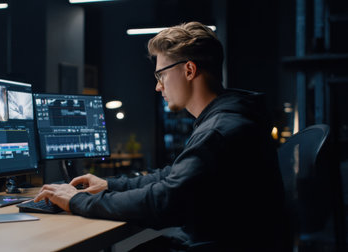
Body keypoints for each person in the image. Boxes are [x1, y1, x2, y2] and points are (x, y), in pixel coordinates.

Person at [35, 21, 286, 251]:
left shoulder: (220, 131)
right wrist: (110, 185)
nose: (158, 86)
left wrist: (78, 201)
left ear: (189, 70)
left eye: (161, 74)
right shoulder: (227, 118)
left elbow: (165, 201)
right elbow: (172, 176)